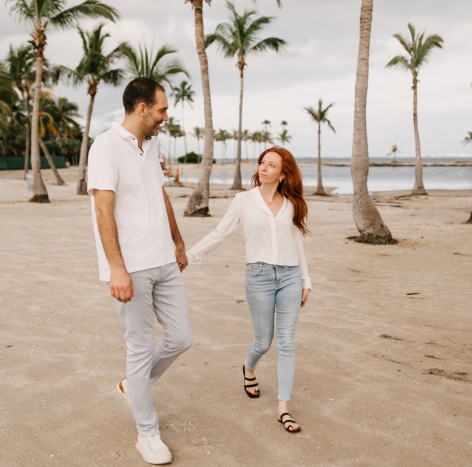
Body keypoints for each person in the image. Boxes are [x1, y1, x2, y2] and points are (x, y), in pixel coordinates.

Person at [88, 77, 191, 465]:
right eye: (163, 109)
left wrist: (178, 242)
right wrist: (117, 268)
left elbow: (160, 194)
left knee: (181, 337)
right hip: (131, 267)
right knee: (140, 346)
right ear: (143, 108)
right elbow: (103, 209)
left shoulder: (151, 146)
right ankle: (147, 433)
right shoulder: (105, 147)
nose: (167, 116)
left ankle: (134, 384)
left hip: (164, 259)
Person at [186, 146, 312, 433]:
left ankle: (283, 409)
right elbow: (220, 232)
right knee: (263, 341)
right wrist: (190, 256)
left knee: (287, 343)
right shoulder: (243, 200)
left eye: (271, 165)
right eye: (262, 163)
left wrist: (307, 280)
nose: (263, 168)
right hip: (259, 276)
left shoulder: (292, 203)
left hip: (291, 276)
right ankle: (249, 368)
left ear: (283, 174)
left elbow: (298, 243)